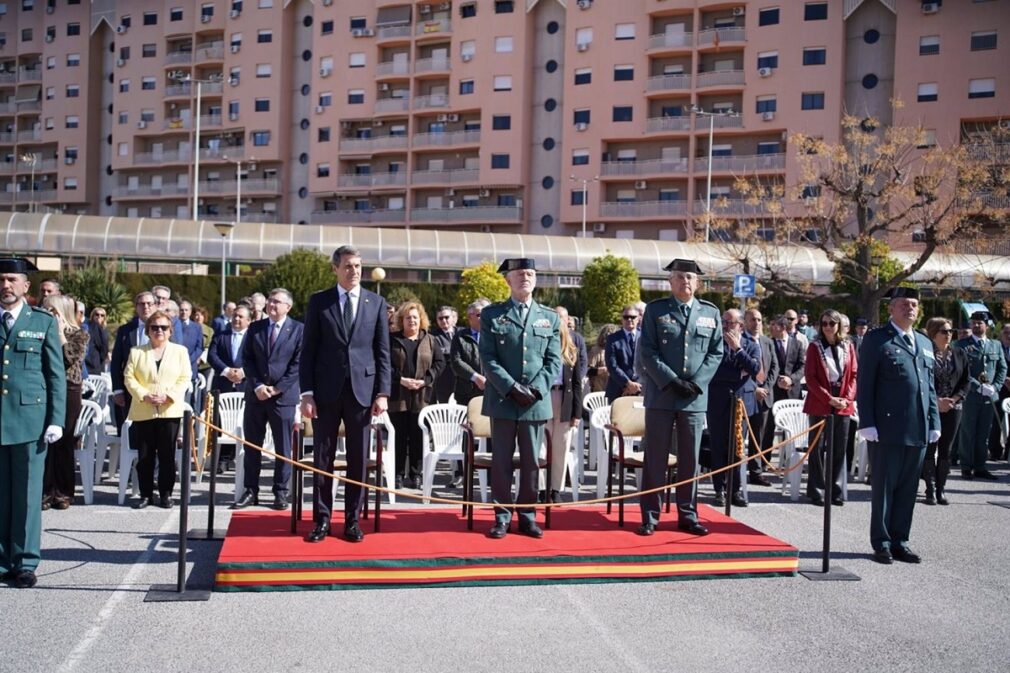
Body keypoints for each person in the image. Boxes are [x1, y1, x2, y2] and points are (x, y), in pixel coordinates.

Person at [301, 245, 391, 544]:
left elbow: (382, 352)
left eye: (358, 266)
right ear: (335, 269)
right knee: (323, 458)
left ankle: (352, 519)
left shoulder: (375, 302)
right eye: (348, 266)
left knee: (357, 459)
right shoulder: (319, 302)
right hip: (325, 393)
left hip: (362, 393)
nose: (354, 271)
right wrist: (307, 393)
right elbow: (308, 351)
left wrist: (382, 392)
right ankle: (323, 519)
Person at [637, 259, 723, 537]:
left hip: (693, 398)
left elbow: (716, 352)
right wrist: (671, 380)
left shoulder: (710, 313)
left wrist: (696, 384)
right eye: (679, 277)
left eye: (689, 277)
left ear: (698, 282)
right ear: (670, 282)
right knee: (656, 458)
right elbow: (648, 351)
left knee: (690, 458)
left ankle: (688, 514)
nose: (685, 281)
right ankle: (650, 515)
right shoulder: (656, 310)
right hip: (662, 394)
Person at [479, 258, 561, 540]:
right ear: (507, 280)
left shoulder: (549, 317)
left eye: (530, 274)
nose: (525, 278)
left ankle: (527, 516)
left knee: (531, 462)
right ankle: (501, 517)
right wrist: (511, 387)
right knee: (501, 461)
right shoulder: (492, 315)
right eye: (520, 274)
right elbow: (487, 358)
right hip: (503, 400)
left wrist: (535, 389)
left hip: (534, 403)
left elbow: (554, 361)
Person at [856, 287, 940, 565]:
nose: (910, 308)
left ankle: (900, 539)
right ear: (891, 308)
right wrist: (867, 422)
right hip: (887, 428)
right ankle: (881, 542)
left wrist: (934, 421)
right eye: (904, 304)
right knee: (884, 488)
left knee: (907, 488)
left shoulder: (925, 343)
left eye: (914, 304)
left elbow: (929, 386)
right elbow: (865, 384)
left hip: (918, 428)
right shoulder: (877, 340)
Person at [0, 258, 66, 589]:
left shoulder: (42, 322)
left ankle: (25, 560)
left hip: (30, 420)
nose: (5, 285)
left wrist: (56, 419)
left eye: (12, 279)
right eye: (1, 280)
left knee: (26, 495)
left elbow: (55, 374)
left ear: (26, 286)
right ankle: (2, 560)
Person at [234, 289, 303, 511]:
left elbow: (297, 364)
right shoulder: (255, 328)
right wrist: (257, 386)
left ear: (288, 307)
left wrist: (277, 388)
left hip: (282, 398)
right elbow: (248, 359)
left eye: (277, 302)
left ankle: (280, 492)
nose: (272, 305)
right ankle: (251, 490)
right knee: (253, 444)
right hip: (256, 396)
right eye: (270, 301)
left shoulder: (299, 330)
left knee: (283, 447)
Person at [124, 311, 192, 510]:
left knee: (167, 455)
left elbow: (185, 377)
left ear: (170, 331)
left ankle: (166, 494)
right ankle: (145, 494)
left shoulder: (180, 351)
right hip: (143, 409)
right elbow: (129, 377)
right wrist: (143, 394)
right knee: (145, 456)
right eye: (154, 327)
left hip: (169, 410)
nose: (159, 331)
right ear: (148, 331)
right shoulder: (137, 352)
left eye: (163, 327)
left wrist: (169, 396)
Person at [803, 309, 858, 507]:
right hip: (820, 402)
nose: (827, 327)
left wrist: (846, 398)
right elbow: (810, 378)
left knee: (839, 449)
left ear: (838, 326)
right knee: (817, 449)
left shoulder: (848, 346)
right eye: (824, 323)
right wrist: (829, 399)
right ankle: (816, 490)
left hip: (842, 403)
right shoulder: (814, 346)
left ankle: (835, 490)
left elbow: (853, 374)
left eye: (831, 323)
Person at [40, 295, 90, 511]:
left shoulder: (79, 334)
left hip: (69, 389)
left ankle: (63, 492)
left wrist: (60, 332)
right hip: (45, 387)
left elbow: (69, 358)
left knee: (64, 440)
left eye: (52, 310)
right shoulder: (40, 331)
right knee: (45, 440)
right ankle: (45, 490)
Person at [707, 308, 761, 507]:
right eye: (725, 322)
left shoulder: (750, 344)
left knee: (737, 448)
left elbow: (754, 369)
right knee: (718, 446)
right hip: (718, 401)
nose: (728, 326)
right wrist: (738, 373)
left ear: (741, 325)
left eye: (732, 323)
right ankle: (719, 489)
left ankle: (735, 489)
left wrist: (738, 349)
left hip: (741, 403)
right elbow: (712, 370)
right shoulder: (715, 343)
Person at [389, 301, 445, 489]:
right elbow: (385, 365)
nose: (411, 321)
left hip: (423, 396)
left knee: (418, 437)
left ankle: (416, 475)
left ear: (420, 319)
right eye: (407, 317)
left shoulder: (430, 339)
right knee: (398, 437)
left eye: (415, 317)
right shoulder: (392, 339)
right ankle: (397, 475)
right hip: (398, 395)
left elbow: (440, 363)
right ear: (401, 320)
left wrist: (426, 380)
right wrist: (401, 379)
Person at [921, 318, 969, 506]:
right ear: (933, 333)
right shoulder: (926, 353)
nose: (949, 334)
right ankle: (930, 490)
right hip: (930, 407)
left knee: (946, 450)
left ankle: (941, 489)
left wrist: (954, 399)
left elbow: (966, 381)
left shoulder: (959, 353)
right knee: (929, 448)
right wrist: (936, 401)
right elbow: (922, 381)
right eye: (944, 331)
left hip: (953, 407)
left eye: (951, 331)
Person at [954, 311, 1006, 481]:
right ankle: (966, 466)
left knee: (985, 432)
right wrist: (978, 387)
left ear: (987, 325)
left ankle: (980, 466)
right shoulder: (961, 345)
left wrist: (996, 386)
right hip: (970, 395)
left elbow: (1002, 368)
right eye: (974, 323)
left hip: (989, 396)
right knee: (968, 432)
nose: (976, 326)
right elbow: (961, 370)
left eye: (980, 323)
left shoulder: (995, 345)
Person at [541, 309, 586, 503]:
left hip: (564, 398)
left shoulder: (571, 346)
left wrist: (577, 412)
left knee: (561, 446)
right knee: (541, 447)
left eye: (561, 317)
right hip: (543, 398)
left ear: (568, 320)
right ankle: (542, 489)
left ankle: (555, 490)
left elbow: (577, 383)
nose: (558, 321)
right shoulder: (541, 341)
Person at [448, 298, 491, 488]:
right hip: (466, 392)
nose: (485, 318)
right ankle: (463, 472)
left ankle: (490, 474)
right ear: (470, 316)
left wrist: (491, 379)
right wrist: (475, 377)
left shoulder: (494, 335)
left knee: (491, 433)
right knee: (467, 434)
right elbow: (456, 362)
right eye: (481, 314)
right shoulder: (461, 336)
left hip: (491, 391)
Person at [110, 291, 158, 432]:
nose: (146, 307)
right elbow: (117, 361)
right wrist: (117, 389)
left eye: (150, 304)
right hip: (130, 390)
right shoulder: (125, 330)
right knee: (132, 431)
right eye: (142, 304)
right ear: (136, 307)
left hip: (155, 390)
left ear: (155, 306)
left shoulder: (163, 330)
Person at [743, 308, 777, 487]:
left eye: (759, 320)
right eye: (752, 320)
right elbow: (742, 368)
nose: (756, 323)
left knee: (760, 436)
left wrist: (766, 387)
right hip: (747, 395)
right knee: (741, 436)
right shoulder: (741, 341)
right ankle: (737, 472)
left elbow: (774, 367)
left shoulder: (767, 342)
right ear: (745, 322)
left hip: (764, 396)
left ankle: (756, 472)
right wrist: (754, 388)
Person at [208, 305, 251, 394]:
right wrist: (227, 371)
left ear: (248, 320)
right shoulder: (220, 336)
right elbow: (212, 356)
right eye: (234, 315)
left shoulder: (254, 338)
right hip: (222, 386)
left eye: (240, 316)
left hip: (245, 386)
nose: (236, 318)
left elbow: (259, 359)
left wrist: (242, 372)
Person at [604, 304, 641, 403]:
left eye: (633, 317)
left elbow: (649, 361)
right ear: (621, 319)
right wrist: (627, 383)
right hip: (618, 389)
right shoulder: (612, 339)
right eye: (626, 317)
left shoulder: (646, 337)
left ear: (638, 319)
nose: (629, 319)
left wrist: (637, 384)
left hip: (641, 388)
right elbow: (612, 365)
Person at [987, 322, 1010, 461]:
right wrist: (1005, 380)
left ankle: (1008, 452)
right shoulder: (995, 347)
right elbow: (991, 368)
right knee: (996, 421)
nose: (1008, 336)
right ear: (1001, 334)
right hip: (999, 388)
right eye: (1006, 333)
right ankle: (995, 450)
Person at [431, 306, 457, 404]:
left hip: (462, 380)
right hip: (444, 380)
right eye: (440, 318)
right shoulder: (432, 336)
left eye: (446, 317)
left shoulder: (462, 333)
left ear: (453, 318)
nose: (444, 320)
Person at [587, 324, 619, 394]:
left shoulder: (619, 350)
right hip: (600, 390)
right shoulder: (596, 350)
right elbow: (588, 370)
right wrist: (601, 370)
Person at [83, 306, 110, 376]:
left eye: (102, 315)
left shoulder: (104, 329)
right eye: (97, 314)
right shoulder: (87, 327)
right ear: (93, 315)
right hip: (89, 363)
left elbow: (104, 348)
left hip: (97, 363)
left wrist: (100, 358)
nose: (99, 317)